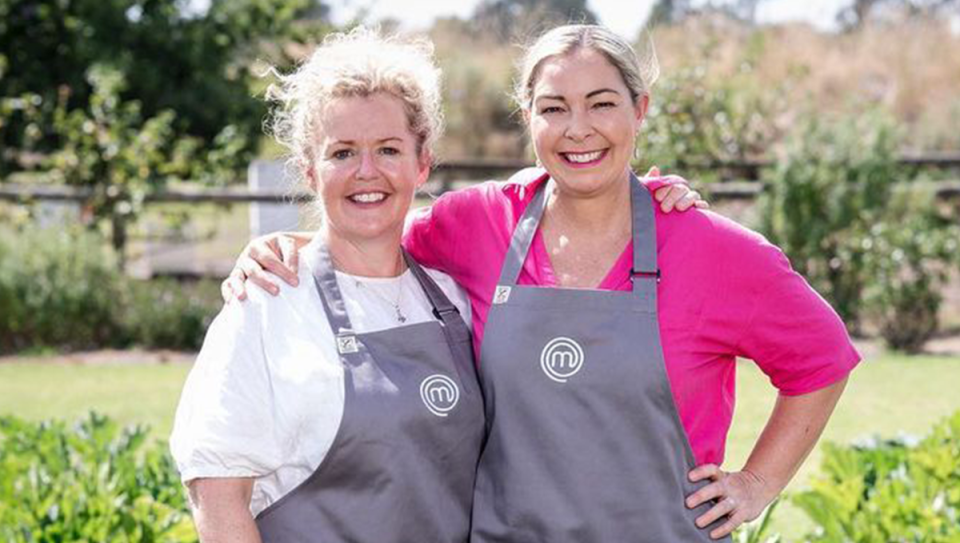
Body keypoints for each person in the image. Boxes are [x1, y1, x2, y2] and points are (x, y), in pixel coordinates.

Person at [224, 25, 859, 542]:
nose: (578, 128)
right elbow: (373, 229)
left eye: (602, 104)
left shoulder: (712, 249)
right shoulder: (477, 223)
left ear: (640, 110)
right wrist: (287, 245)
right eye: (554, 108)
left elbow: (822, 360)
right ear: (528, 118)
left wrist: (756, 483)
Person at [170, 29, 491, 543]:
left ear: (422, 163)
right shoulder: (267, 302)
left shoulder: (454, 301)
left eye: (389, 149)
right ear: (309, 170)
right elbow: (217, 494)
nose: (367, 173)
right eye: (342, 153)